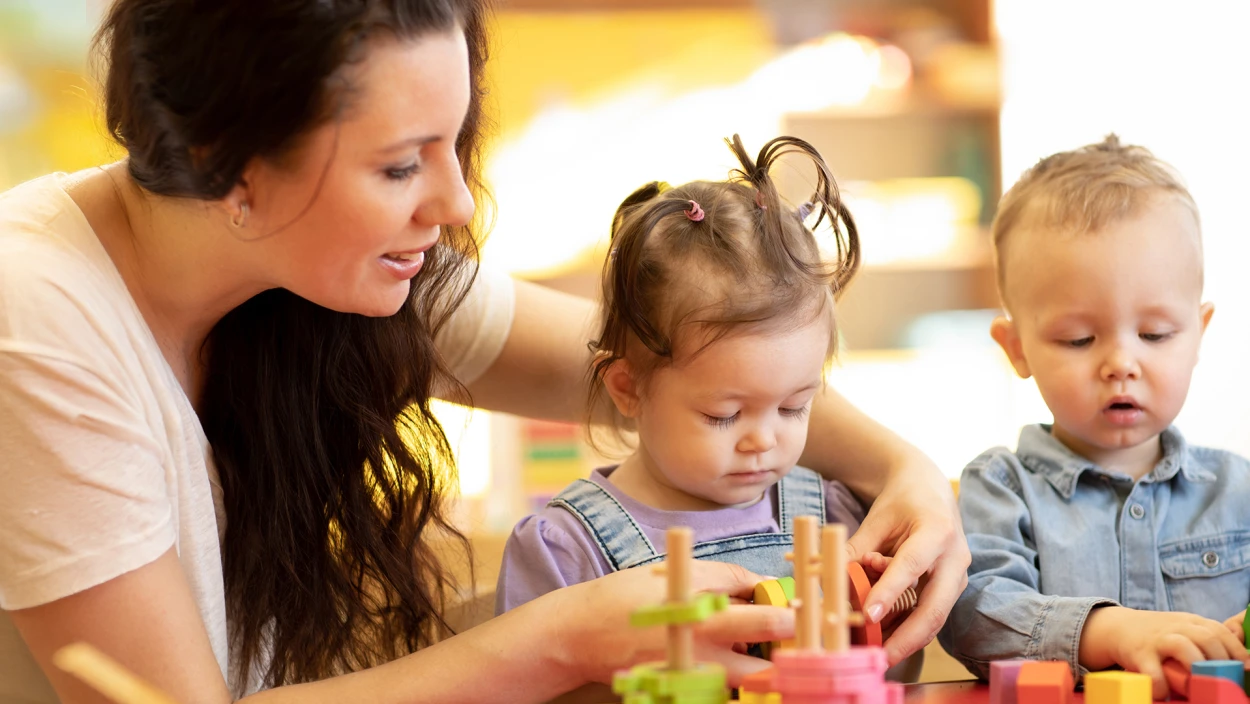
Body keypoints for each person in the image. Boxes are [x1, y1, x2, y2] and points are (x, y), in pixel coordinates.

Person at [0, 2, 968, 702]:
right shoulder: (36, 319)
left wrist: (906, 472)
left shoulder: (326, 266)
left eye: (453, 144)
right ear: (227, 163)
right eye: (397, 165)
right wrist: (556, 641)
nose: (455, 204)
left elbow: (681, 363)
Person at [497, 135, 878, 613]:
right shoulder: (568, 551)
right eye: (725, 414)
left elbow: (891, 675)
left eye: (793, 406)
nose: (763, 440)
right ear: (628, 388)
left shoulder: (836, 518)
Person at [937, 135, 1250, 699]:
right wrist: (1106, 631)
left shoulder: (1237, 488)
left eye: (1155, 334)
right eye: (1079, 339)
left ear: (1199, 334)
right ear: (1017, 349)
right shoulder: (1002, 488)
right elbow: (973, 614)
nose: (1121, 363)